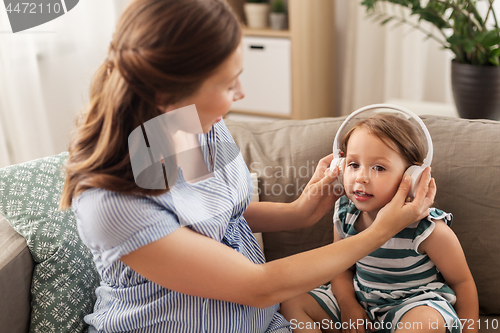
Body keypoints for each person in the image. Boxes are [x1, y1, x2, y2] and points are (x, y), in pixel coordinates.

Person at [60, 1, 437, 332]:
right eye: (228, 83)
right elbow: (259, 286)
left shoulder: (190, 127)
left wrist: (298, 213)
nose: (241, 94)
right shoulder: (112, 203)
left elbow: (213, 218)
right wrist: (381, 231)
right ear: (166, 95)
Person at [280, 114, 478, 333]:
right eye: (354, 165)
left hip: (411, 307)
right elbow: (339, 269)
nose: (361, 177)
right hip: (360, 302)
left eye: (379, 168)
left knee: (426, 321)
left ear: (411, 178)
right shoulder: (346, 215)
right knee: (292, 301)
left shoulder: (427, 229)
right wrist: (348, 305)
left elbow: (462, 283)